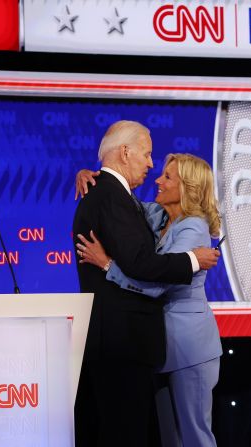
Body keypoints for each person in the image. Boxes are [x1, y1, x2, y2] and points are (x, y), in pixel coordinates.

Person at [72, 121, 220, 447]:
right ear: (125, 152)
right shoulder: (156, 216)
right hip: (142, 343)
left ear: (188, 188)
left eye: (168, 176)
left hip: (187, 347)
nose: (155, 172)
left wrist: (108, 264)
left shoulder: (192, 228)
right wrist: (90, 173)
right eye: (149, 156)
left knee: (192, 436)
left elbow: (155, 285)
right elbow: (128, 215)